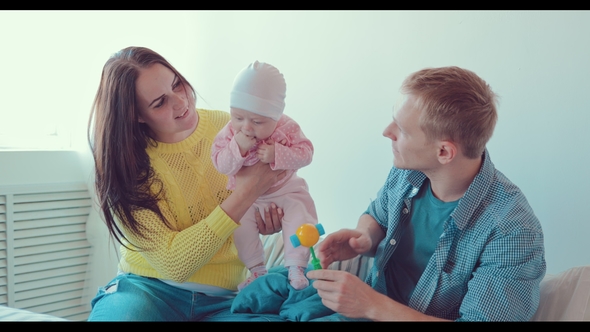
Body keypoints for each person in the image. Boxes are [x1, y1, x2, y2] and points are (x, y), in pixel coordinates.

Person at [306, 66, 546, 321]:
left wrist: (371, 305)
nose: (387, 132)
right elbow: (378, 216)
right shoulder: (410, 171)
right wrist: (366, 237)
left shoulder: (513, 231)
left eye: (402, 129)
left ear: (444, 152)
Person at [86, 46, 287, 321]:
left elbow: (267, 190)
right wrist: (247, 193)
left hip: (226, 299)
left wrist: (267, 216)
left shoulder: (235, 130)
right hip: (146, 291)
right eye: (160, 103)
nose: (181, 102)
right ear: (137, 115)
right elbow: (174, 265)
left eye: (177, 84)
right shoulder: (123, 165)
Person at [211, 61, 317, 291]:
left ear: (276, 116)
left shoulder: (287, 127)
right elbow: (220, 163)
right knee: (239, 225)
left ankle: (296, 266)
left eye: (257, 121)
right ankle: (256, 269)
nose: (246, 127)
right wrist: (236, 148)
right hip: (250, 199)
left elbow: (306, 153)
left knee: (300, 213)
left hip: (286, 189)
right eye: (238, 117)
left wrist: (278, 153)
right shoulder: (230, 133)